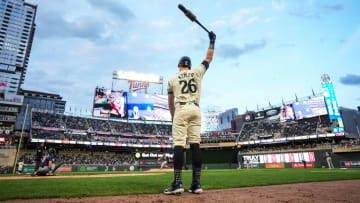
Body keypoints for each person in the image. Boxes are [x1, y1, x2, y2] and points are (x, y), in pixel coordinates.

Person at [164, 31, 216, 195]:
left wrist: (173, 117)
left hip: (181, 109)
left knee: (179, 145)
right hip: (196, 109)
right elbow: (208, 59)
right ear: (189, 65)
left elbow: (170, 103)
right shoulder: (197, 72)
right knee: (195, 145)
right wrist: (212, 42)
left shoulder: (172, 79)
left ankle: (178, 183)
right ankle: (196, 184)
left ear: (179, 66)